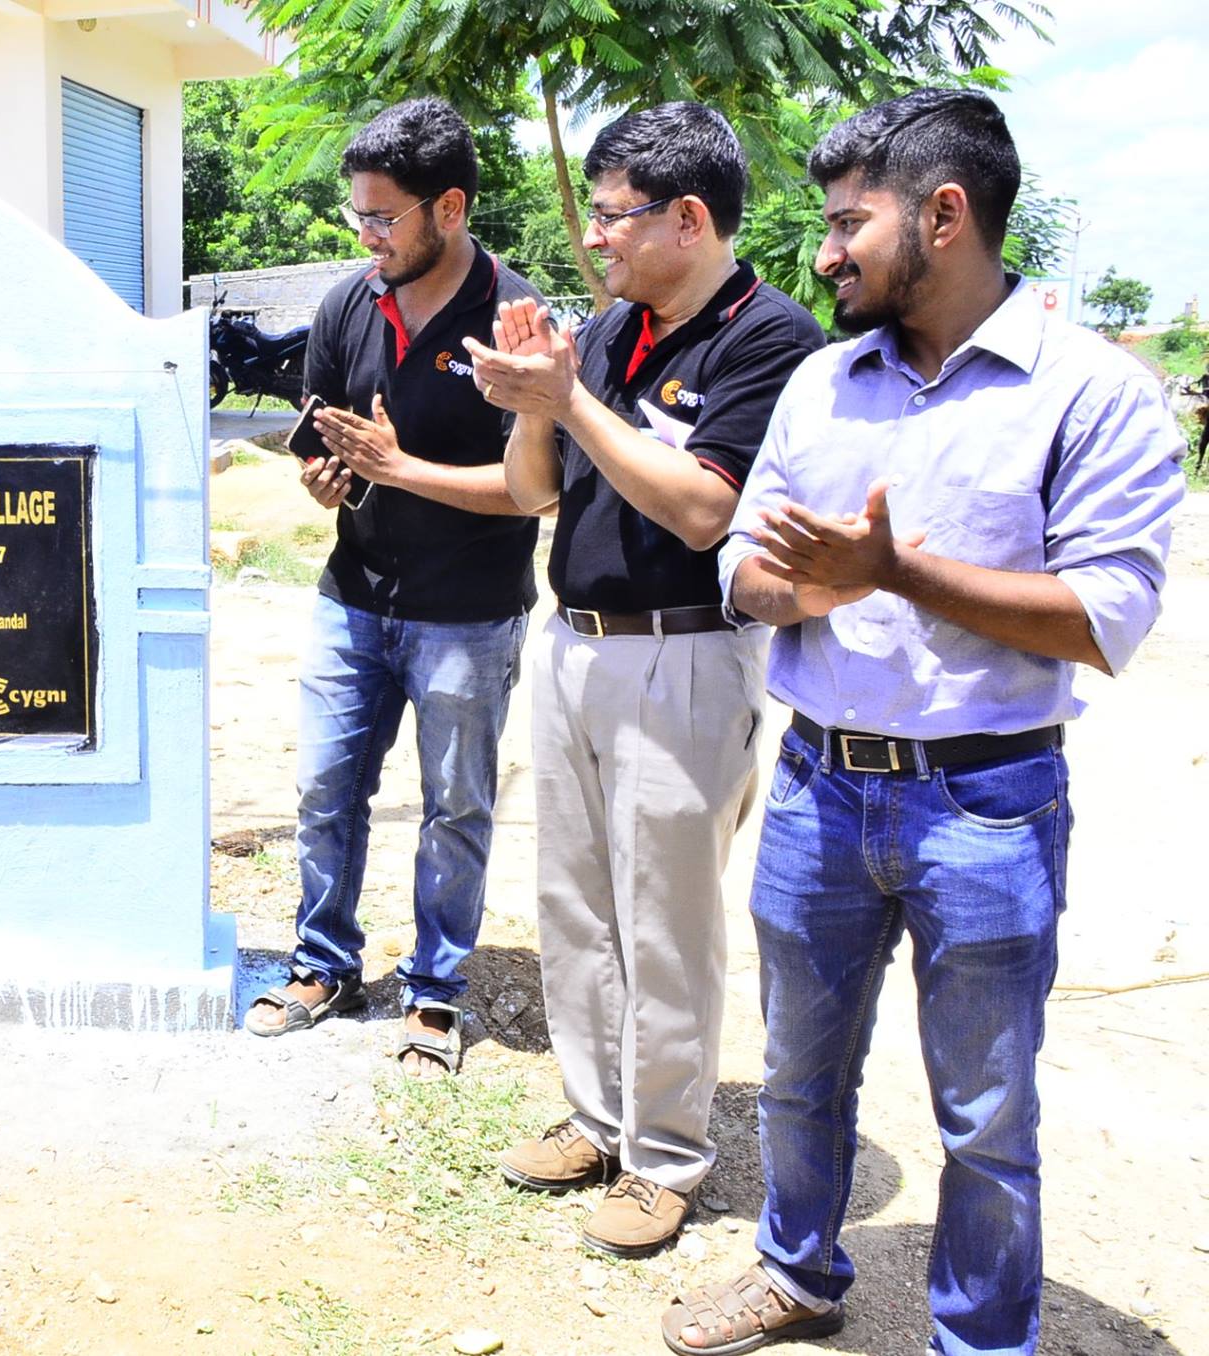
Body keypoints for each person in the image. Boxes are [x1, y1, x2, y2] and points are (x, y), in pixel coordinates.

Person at [663, 90, 1183, 1354]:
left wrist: (897, 574)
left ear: (942, 216)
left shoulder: (1092, 395)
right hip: (813, 789)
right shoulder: (822, 383)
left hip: (986, 803)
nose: (824, 252)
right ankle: (795, 1271)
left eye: (849, 222)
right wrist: (816, 582)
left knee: (985, 1115)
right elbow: (738, 565)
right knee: (796, 1074)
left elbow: (1104, 615)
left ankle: (979, 1337)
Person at [463, 103, 825, 1258]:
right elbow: (535, 493)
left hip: (683, 656)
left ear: (687, 216)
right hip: (570, 641)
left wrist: (568, 396)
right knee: (574, 905)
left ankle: (665, 1156)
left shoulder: (767, 337)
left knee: (662, 917)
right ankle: (595, 1119)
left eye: (615, 217)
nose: (597, 240)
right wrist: (532, 397)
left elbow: (702, 504)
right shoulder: (611, 329)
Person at [241, 97, 544, 1076]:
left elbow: (528, 489)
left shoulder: (512, 319)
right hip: (353, 598)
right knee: (325, 788)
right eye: (356, 216)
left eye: (383, 218)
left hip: (469, 614)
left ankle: (433, 992)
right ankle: (322, 964)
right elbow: (320, 437)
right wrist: (329, 475)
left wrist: (398, 464)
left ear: (446, 208)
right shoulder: (345, 304)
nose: (365, 235)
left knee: (456, 805)